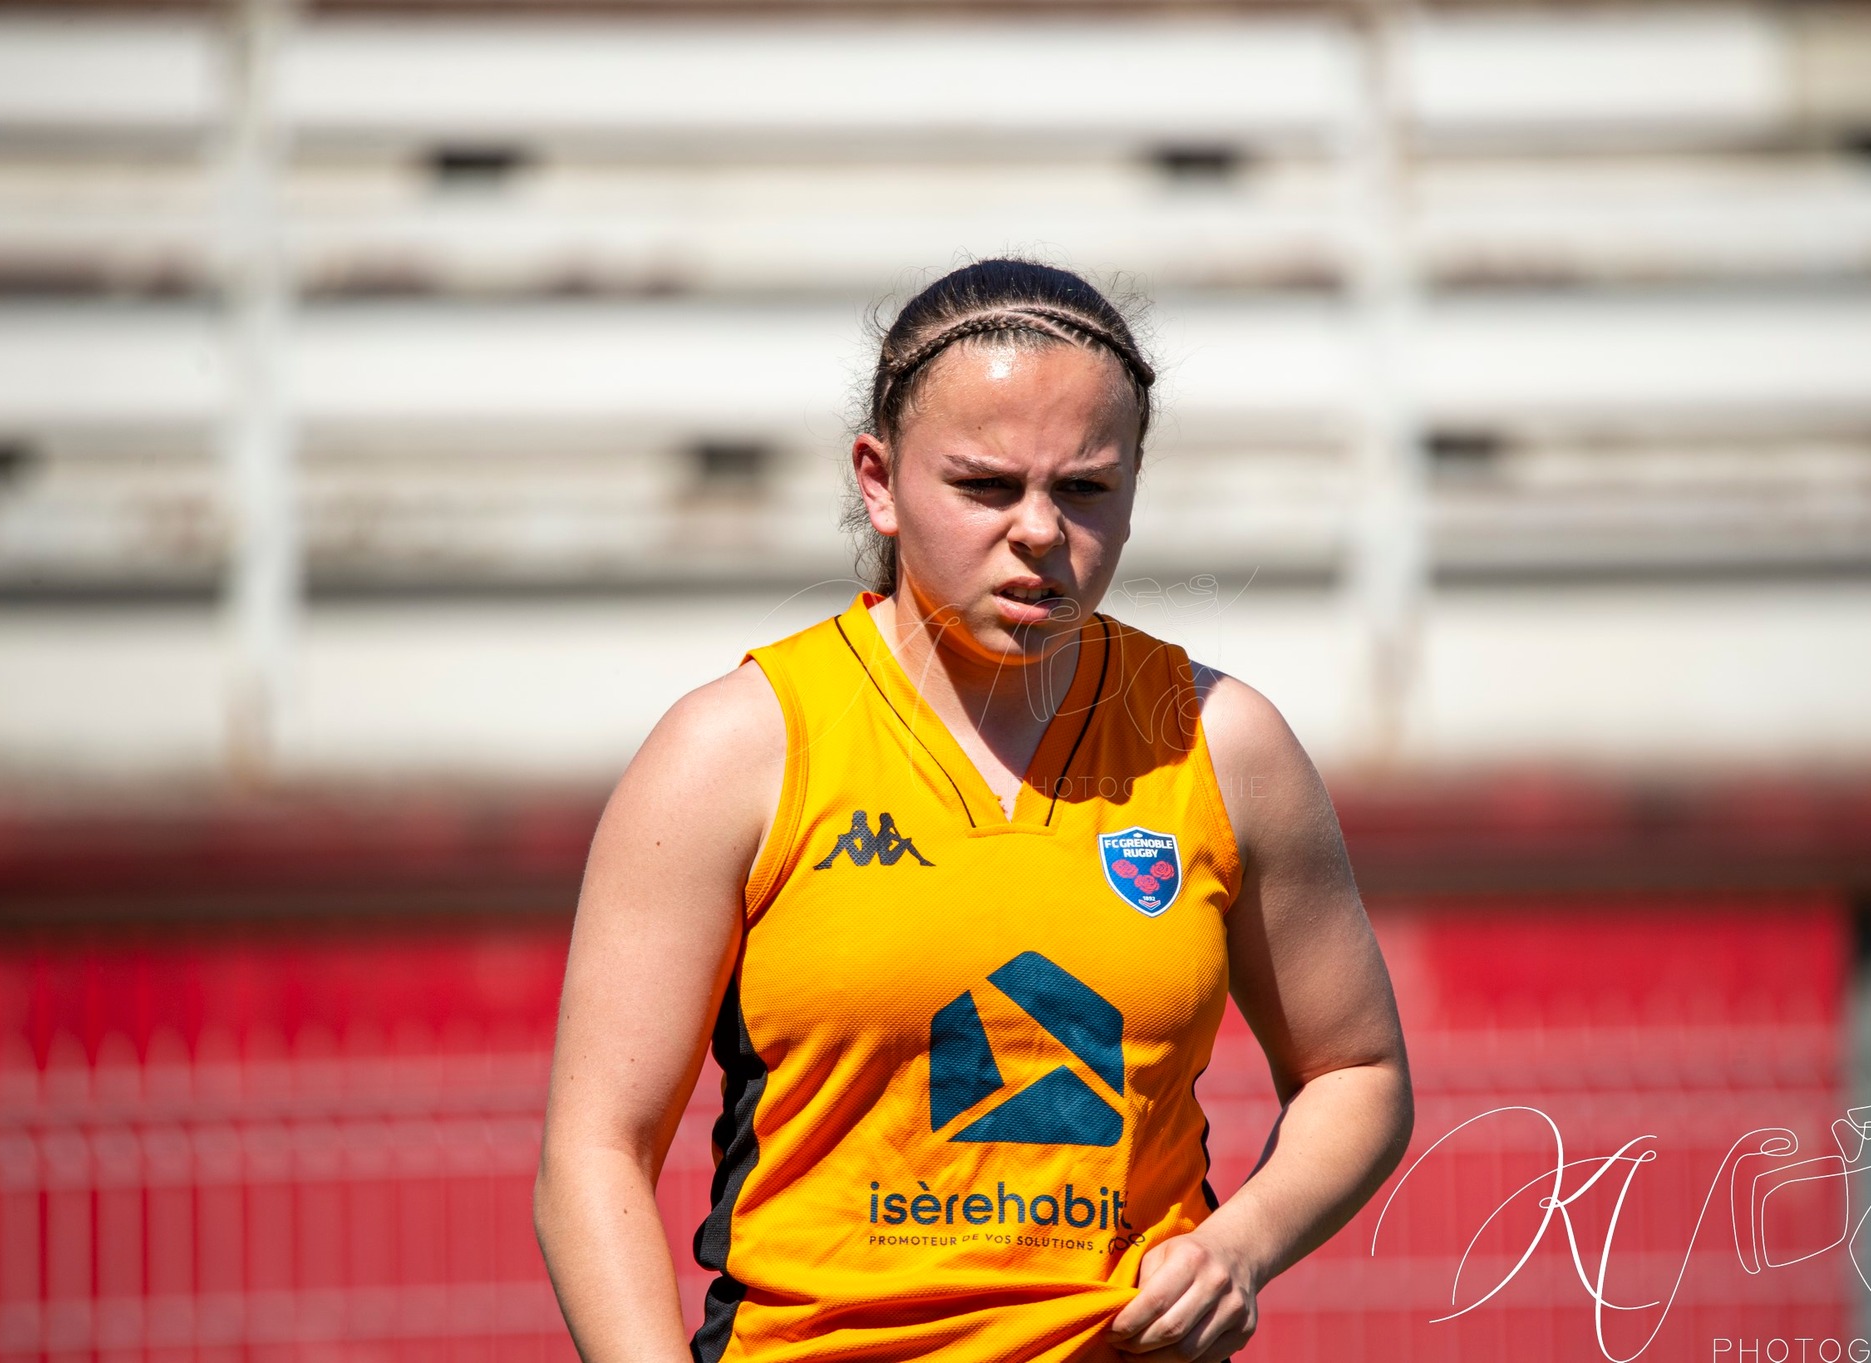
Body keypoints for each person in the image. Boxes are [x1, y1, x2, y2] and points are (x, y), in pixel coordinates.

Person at [535, 259, 1413, 1363]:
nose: (1040, 531)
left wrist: (1241, 1243)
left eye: (1085, 488)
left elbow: (1357, 1073)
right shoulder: (733, 750)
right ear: (878, 481)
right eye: (987, 486)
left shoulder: (1222, 742)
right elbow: (593, 1150)